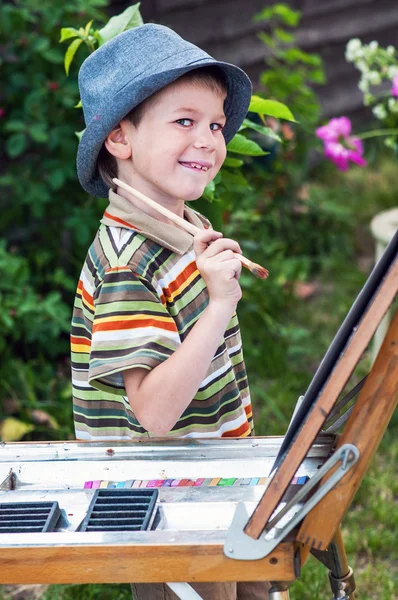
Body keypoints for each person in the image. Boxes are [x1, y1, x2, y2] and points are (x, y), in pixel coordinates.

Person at [71, 23, 269, 600]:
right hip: (162, 504)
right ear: (119, 139)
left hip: (208, 476)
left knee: (258, 583)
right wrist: (221, 303)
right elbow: (154, 411)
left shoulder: (181, 230)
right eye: (184, 121)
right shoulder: (128, 262)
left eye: (214, 123)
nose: (209, 138)